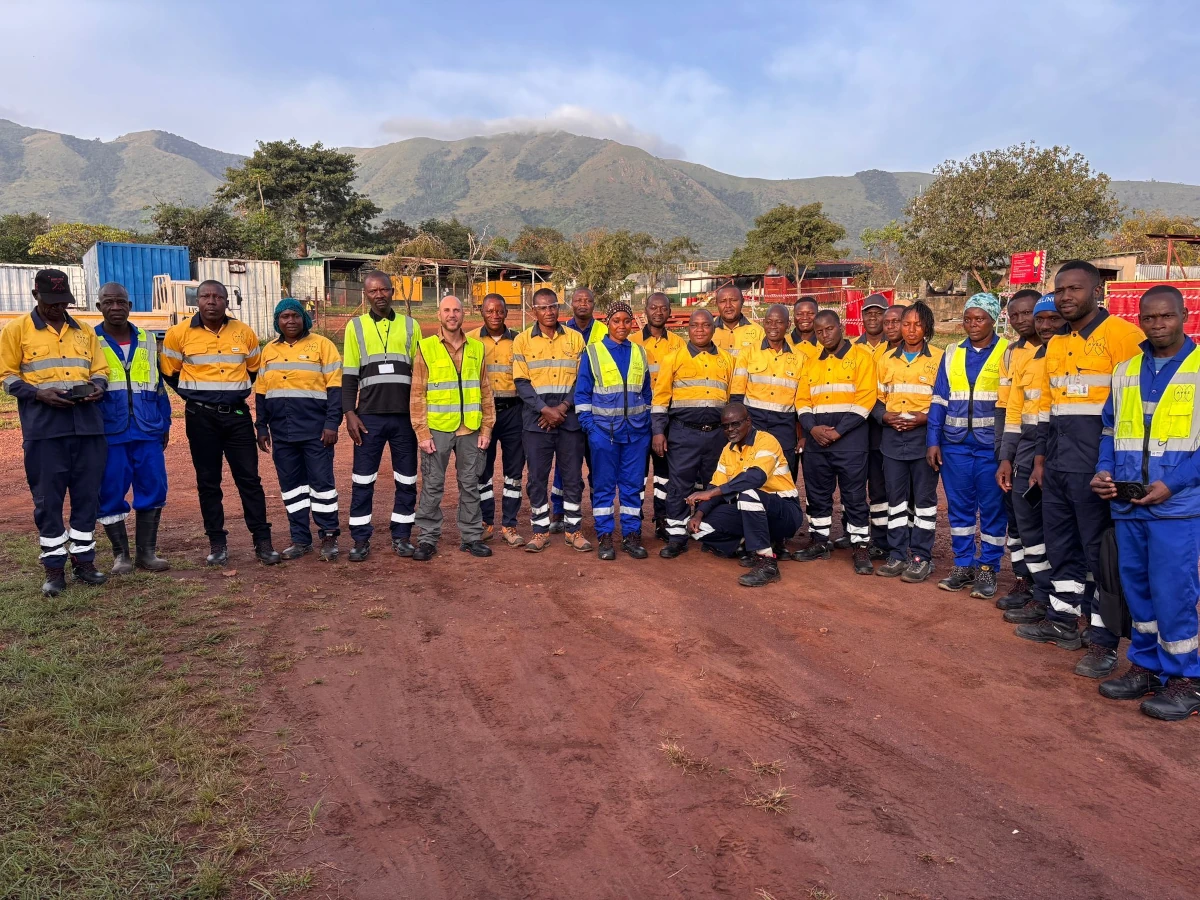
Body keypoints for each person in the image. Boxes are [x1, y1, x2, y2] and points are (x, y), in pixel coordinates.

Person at [1017, 260, 1146, 678]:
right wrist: (1040, 462)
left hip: (1098, 469)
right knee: (1062, 547)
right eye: (1059, 291)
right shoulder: (1057, 343)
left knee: (1100, 555)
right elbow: (1047, 409)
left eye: (1075, 288)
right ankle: (1063, 620)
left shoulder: (1124, 336)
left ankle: (1103, 641)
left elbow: (1138, 409)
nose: (1066, 297)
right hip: (1057, 465)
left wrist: (1120, 470)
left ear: (1097, 290)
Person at [1093, 285, 1200, 719]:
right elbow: (1109, 430)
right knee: (1137, 591)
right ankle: (1147, 667)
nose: (1157, 324)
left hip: (1176, 507)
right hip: (1127, 503)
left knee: (1173, 592)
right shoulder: (1126, 371)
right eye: (1150, 317)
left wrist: (1173, 484)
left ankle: (1186, 681)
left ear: (1184, 316)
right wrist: (1103, 472)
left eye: (1166, 316)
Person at [0, 269, 109, 595]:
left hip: (87, 426)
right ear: (36, 296)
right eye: (51, 302)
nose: (57, 308)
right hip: (45, 429)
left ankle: (84, 562)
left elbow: (100, 370)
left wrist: (97, 388)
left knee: (87, 497)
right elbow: (6, 374)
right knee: (48, 501)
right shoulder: (16, 330)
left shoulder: (85, 332)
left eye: (63, 303)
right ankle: (53, 570)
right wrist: (37, 393)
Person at [161, 280, 281, 566]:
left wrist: (230, 394)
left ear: (227, 301)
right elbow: (169, 372)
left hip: (237, 416)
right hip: (199, 417)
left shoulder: (244, 332)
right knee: (208, 482)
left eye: (217, 297)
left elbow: (254, 371)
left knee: (249, 480)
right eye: (205, 296)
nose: (211, 301)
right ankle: (217, 543)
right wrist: (196, 396)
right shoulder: (178, 334)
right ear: (197, 301)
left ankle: (262, 542)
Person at [925, 293, 1008, 598]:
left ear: (994, 319)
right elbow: (939, 399)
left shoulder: (1007, 352)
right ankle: (962, 564)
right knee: (959, 510)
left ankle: (988, 568)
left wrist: (1007, 451)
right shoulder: (951, 353)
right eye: (968, 318)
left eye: (980, 318)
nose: (973, 324)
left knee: (992, 510)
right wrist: (933, 440)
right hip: (955, 445)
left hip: (991, 448)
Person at [254, 298, 343, 561]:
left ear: (304, 318)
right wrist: (261, 427)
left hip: (316, 432)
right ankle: (300, 539)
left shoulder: (322, 346)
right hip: (282, 432)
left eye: (295, 316)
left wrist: (331, 425)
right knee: (292, 488)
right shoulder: (268, 351)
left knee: (322, 486)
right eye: (284, 317)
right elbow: (261, 392)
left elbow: (335, 390)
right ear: (277, 321)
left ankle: (328, 536)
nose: (290, 321)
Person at [341, 271, 421, 562]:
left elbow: (420, 375)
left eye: (384, 289)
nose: (379, 295)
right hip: (368, 418)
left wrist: (419, 416)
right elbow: (349, 375)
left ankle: (402, 536)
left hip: (404, 418)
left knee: (407, 479)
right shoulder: (356, 327)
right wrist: (349, 412)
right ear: (366, 295)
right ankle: (360, 540)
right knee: (363, 480)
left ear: (392, 291)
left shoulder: (411, 326)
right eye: (373, 291)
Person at [996, 295, 1066, 625]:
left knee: (1058, 530)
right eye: (1039, 318)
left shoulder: (1070, 355)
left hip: (1062, 451)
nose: (1039, 324)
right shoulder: (1020, 356)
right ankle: (1037, 591)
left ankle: (1062, 603)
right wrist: (1005, 456)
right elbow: (1011, 412)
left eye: (1039, 315)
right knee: (1026, 524)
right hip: (1025, 449)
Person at [410, 295, 496, 561]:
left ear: (463, 314)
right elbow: (417, 394)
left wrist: (487, 428)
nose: (452, 315)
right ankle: (427, 538)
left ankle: (471, 537)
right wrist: (421, 432)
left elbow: (485, 390)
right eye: (446, 310)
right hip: (437, 429)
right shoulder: (426, 348)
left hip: (470, 429)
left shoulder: (477, 348)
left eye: (456, 310)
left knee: (470, 484)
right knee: (433, 484)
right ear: (439, 314)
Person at [792, 309, 878, 573]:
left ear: (840, 327)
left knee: (853, 495)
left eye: (829, 329)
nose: (824, 334)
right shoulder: (810, 362)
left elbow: (866, 399)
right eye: (819, 331)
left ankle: (860, 546)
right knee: (817, 493)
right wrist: (813, 429)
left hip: (850, 439)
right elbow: (802, 400)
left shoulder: (861, 358)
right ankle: (819, 541)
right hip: (817, 440)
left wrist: (839, 431)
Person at [94, 282, 171, 574]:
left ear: (129, 305)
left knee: (153, 487)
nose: (115, 307)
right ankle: (121, 555)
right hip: (109, 431)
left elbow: (158, 385)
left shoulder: (149, 339)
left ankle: (146, 554)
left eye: (121, 302)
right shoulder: (90, 341)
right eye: (109, 302)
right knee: (110, 490)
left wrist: (165, 423)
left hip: (147, 428)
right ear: (99, 306)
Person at [686, 402, 804, 587]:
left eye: (736, 424)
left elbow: (755, 477)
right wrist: (698, 514)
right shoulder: (728, 450)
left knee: (748, 492)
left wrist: (713, 492)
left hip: (784, 512)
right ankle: (753, 545)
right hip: (752, 513)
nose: (730, 430)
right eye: (726, 426)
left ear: (748, 421)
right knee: (698, 529)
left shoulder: (766, 441)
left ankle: (767, 564)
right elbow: (717, 483)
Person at [654, 308, 735, 557]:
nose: (700, 330)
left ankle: (708, 531)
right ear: (687, 329)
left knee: (715, 484)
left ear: (713, 328)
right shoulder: (673, 358)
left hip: (717, 436)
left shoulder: (727, 359)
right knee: (679, 485)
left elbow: (733, 400)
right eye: (695, 325)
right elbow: (660, 399)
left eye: (706, 325)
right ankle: (677, 536)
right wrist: (658, 431)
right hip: (683, 433)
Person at [575, 301, 652, 560]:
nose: (621, 325)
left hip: (636, 434)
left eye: (626, 320)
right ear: (608, 322)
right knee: (605, 486)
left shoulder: (639, 353)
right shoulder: (593, 352)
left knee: (632, 487)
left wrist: (646, 425)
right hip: (603, 434)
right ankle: (605, 537)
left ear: (632, 323)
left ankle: (632, 536)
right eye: (616, 320)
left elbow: (646, 393)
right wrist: (590, 429)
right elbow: (583, 394)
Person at [513, 287, 588, 553]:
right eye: (543, 307)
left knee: (571, 478)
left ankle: (573, 530)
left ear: (559, 308)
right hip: (536, 423)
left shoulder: (576, 339)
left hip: (570, 422)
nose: (549, 312)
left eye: (553, 306)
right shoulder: (522, 341)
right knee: (536, 478)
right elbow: (521, 383)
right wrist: (545, 410)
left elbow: (582, 380)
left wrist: (563, 408)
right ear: (534, 311)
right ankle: (539, 530)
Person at [873, 301, 943, 582]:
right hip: (892, 440)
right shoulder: (885, 359)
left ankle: (921, 557)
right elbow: (877, 402)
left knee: (924, 501)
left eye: (917, 324)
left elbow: (943, 401)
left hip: (924, 439)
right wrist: (887, 417)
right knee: (896, 501)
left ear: (927, 327)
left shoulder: (940, 358)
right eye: (906, 324)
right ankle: (898, 554)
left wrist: (923, 418)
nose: (911, 330)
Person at [549, 287, 607, 531]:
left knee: (598, 465)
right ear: (571, 304)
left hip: (599, 409)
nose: (583, 304)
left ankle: (599, 513)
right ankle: (559, 512)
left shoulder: (605, 331)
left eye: (588, 300)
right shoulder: (561, 331)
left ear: (594, 304)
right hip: (569, 408)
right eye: (578, 300)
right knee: (565, 464)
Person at [631, 291, 686, 540]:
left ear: (670, 312)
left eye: (663, 308)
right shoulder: (632, 342)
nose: (659, 312)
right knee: (638, 473)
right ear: (645, 310)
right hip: (639, 419)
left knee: (665, 474)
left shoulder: (678, 344)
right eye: (654, 307)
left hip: (667, 419)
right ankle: (635, 523)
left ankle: (662, 520)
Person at [476, 293, 526, 547]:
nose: (495, 315)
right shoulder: (471, 339)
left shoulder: (519, 340)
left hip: (513, 412)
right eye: (489, 311)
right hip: (483, 414)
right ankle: (486, 523)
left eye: (499, 311)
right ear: (481, 312)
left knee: (513, 472)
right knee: (482, 471)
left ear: (506, 313)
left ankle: (510, 524)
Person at [730, 303, 803, 474]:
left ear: (788, 324)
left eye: (779, 322)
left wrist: (802, 435)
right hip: (754, 422)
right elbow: (737, 395)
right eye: (769, 322)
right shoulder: (747, 353)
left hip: (784, 426)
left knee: (784, 474)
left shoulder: (800, 358)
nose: (773, 327)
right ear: (764, 323)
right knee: (750, 474)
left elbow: (802, 402)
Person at [849, 293, 893, 557]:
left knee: (879, 485)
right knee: (853, 480)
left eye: (879, 313)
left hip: (883, 425)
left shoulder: (896, 347)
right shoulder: (853, 348)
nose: (874, 318)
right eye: (869, 313)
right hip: (855, 423)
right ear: (862, 317)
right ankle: (852, 533)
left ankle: (880, 539)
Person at [712, 283, 765, 362]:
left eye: (733, 300)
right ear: (716, 304)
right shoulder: (706, 330)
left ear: (742, 301)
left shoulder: (758, 332)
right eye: (723, 301)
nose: (728, 305)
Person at [788, 296, 821, 363]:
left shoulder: (825, 344)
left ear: (818, 315)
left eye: (810, 313)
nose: (805, 318)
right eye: (799, 314)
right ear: (793, 316)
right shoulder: (784, 343)